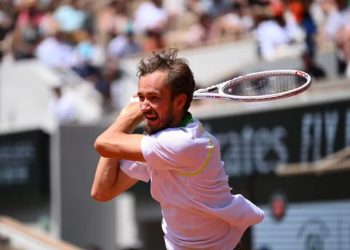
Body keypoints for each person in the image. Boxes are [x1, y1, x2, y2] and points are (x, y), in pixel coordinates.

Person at [91, 48, 264, 250]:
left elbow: (103, 143)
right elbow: (102, 192)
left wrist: (126, 117)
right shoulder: (158, 142)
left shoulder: (184, 143)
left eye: (153, 98)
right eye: (141, 97)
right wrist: (125, 122)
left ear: (180, 101)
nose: (144, 106)